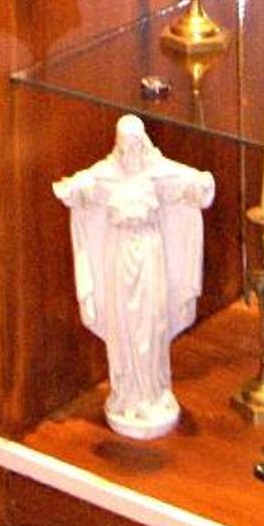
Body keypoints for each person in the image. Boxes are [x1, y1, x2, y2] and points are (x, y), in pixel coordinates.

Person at [54, 115, 214, 439]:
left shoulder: (157, 172)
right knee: (124, 323)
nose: (131, 152)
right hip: (119, 255)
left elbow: (188, 183)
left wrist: (199, 185)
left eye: (136, 144)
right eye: (125, 145)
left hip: (150, 255)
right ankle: (127, 392)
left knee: (152, 320)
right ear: (119, 145)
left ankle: (154, 391)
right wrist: (73, 190)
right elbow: (81, 188)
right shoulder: (107, 174)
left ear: (143, 144)